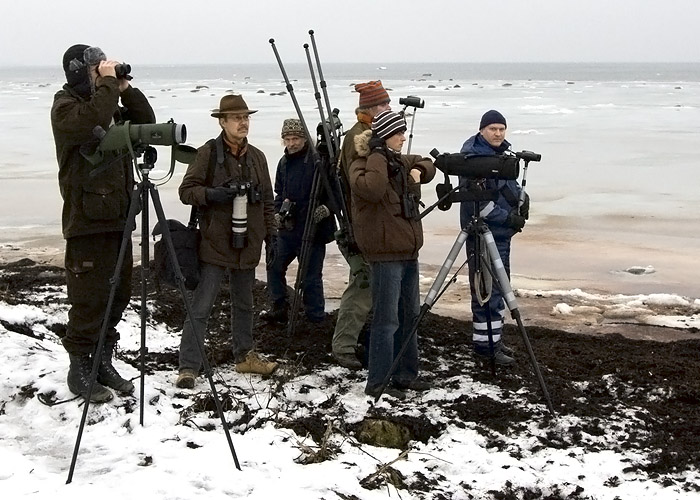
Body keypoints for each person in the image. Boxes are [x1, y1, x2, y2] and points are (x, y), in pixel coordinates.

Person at [51, 44, 155, 403]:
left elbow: (146, 122)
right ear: (81, 72)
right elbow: (90, 121)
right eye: (98, 69)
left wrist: (125, 87)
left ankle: (102, 359)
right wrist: (108, 86)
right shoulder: (66, 108)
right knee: (89, 298)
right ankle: (79, 367)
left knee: (118, 294)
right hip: (87, 223)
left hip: (119, 219)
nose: (103, 75)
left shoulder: (110, 106)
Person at [175, 94, 278, 389]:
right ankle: (188, 366)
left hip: (249, 242)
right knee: (202, 306)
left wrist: (272, 236)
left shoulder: (257, 157)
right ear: (222, 122)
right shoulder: (207, 153)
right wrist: (213, 194)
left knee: (245, 303)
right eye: (236, 118)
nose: (243, 123)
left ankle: (245, 356)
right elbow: (186, 191)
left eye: (246, 117)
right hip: (215, 243)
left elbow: (268, 201)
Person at [349, 110, 436, 400]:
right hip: (384, 255)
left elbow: (428, 162)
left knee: (409, 316)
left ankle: (405, 375)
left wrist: (417, 172)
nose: (403, 136)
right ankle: (378, 383)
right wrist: (377, 154)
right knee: (387, 320)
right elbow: (373, 190)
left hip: (408, 251)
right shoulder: (362, 166)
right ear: (385, 136)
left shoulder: (398, 161)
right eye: (398, 132)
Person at [459, 110, 529, 366]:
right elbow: (478, 205)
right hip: (483, 235)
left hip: (500, 236)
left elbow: (507, 188)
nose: (498, 134)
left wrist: (522, 204)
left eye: (501, 129)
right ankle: (485, 348)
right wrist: (507, 218)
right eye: (493, 129)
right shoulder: (474, 160)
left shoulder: (500, 155)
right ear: (482, 131)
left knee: (500, 289)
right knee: (486, 292)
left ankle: (493, 340)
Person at [331, 80, 392, 370]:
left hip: (369, 221)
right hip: (359, 222)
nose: (389, 108)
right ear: (371, 108)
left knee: (372, 283)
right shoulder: (360, 137)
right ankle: (343, 346)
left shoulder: (370, 133)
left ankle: (360, 339)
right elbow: (362, 185)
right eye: (384, 105)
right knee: (363, 284)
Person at [261, 119, 336, 324]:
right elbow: (278, 193)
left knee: (310, 278)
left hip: (313, 229)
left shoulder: (318, 161)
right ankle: (279, 307)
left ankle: (316, 318)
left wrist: (327, 208)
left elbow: (337, 192)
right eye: (287, 139)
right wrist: (277, 213)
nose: (291, 143)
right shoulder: (283, 163)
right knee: (274, 265)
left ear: (305, 138)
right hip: (288, 229)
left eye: (295, 138)